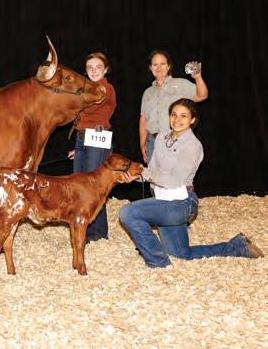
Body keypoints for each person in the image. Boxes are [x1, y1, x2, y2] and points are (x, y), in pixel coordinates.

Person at [119, 99, 264, 268]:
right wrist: (134, 176)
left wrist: (141, 172)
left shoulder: (193, 145)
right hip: (164, 200)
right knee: (180, 254)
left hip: (183, 203)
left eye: (183, 116)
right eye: (174, 115)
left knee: (128, 213)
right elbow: (152, 170)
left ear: (192, 120)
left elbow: (174, 181)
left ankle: (158, 263)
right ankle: (238, 247)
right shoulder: (161, 138)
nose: (177, 120)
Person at [67, 52, 116, 242]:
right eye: (90, 67)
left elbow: (87, 107)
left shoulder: (105, 89)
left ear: (106, 69)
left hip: (96, 137)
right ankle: (89, 229)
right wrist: (79, 148)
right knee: (81, 185)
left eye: (98, 67)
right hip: (83, 138)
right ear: (85, 70)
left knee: (92, 186)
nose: (94, 71)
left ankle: (96, 232)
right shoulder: (87, 89)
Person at [139, 50, 208, 163]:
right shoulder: (147, 92)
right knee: (153, 174)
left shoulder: (180, 84)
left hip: (174, 141)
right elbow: (143, 119)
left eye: (162, 64)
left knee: (174, 173)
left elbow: (202, 95)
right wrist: (142, 143)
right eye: (155, 64)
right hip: (152, 142)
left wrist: (198, 77)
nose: (159, 68)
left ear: (168, 66)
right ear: (150, 68)